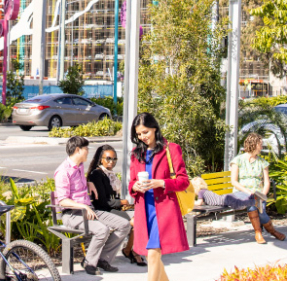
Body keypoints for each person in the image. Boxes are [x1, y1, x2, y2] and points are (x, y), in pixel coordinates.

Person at [54, 136, 131, 275]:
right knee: (102, 229)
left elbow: (77, 188)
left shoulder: (79, 166)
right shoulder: (63, 172)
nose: (88, 151)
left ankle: (103, 259)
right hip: (72, 214)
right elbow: (63, 200)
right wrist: (84, 207)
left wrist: (88, 183)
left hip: (90, 211)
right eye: (86, 149)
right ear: (78, 150)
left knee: (124, 224)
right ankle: (89, 263)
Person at [128, 113, 190, 281]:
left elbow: (184, 181)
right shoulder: (136, 153)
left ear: (155, 128)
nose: (142, 137)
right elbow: (131, 181)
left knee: (153, 253)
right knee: (150, 255)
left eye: (145, 132)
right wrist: (134, 186)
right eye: (139, 134)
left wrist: (161, 183)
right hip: (144, 209)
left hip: (164, 209)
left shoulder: (171, 149)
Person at [87, 145, 146, 266]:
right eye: (108, 158)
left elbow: (112, 196)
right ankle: (131, 251)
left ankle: (130, 249)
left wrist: (122, 203)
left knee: (143, 216)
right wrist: (120, 202)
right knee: (136, 222)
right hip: (102, 210)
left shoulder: (108, 174)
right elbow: (102, 202)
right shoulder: (97, 174)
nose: (111, 162)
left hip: (111, 208)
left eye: (114, 159)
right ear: (101, 159)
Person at [230, 133, 286, 244]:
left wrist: (262, 195)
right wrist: (248, 192)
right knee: (253, 204)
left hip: (258, 194)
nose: (261, 147)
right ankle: (261, 232)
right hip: (242, 193)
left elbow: (266, 182)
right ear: (253, 144)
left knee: (259, 210)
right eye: (260, 144)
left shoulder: (262, 162)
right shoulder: (238, 161)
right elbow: (234, 182)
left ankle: (268, 232)